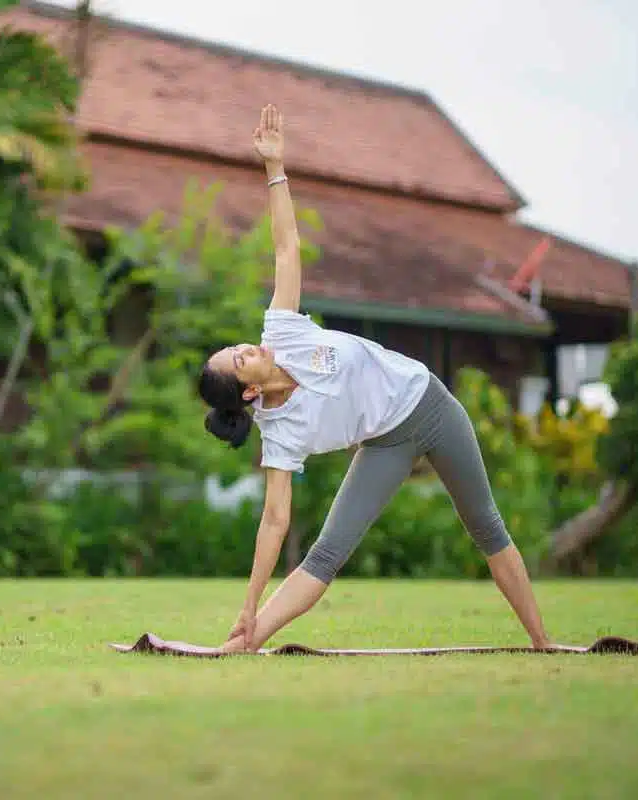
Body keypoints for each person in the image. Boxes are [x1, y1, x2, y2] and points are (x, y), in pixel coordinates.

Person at [197, 104, 556, 654]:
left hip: (430, 405)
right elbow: (274, 523)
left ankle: (543, 644)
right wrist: (247, 606)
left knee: (485, 525)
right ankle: (243, 644)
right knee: (325, 555)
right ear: (249, 392)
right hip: (386, 441)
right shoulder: (280, 433)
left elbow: (286, 246)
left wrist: (275, 168)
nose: (251, 346)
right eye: (242, 358)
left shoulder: (283, 330)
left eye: (238, 346)